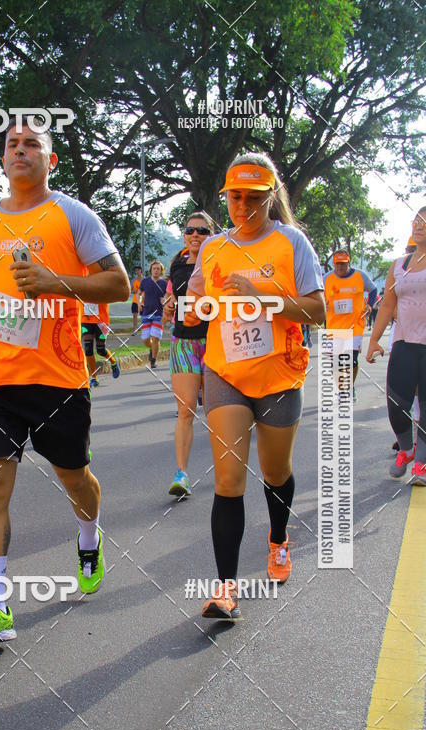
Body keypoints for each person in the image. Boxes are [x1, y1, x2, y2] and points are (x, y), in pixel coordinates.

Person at [0, 121, 130, 645]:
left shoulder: (73, 215)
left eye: (32, 144)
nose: (20, 150)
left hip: (58, 380)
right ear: (3, 158)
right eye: (12, 144)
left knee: (75, 480)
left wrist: (58, 283)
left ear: (50, 160)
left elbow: (119, 284)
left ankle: (88, 537)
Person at [186, 152, 325, 619]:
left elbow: (317, 310)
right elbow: (197, 301)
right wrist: (190, 307)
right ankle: (226, 590)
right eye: (235, 197)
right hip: (225, 373)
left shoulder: (291, 243)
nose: (242, 206)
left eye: (253, 197)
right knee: (228, 480)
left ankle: (279, 538)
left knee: (275, 472)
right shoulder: (213, 247)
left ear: (270, 198)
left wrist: (262, 297)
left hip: (279, 376)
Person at [366, 207, 426, 484]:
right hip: (404, 343)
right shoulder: (399, 265)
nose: (419, 226)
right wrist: (374, 340)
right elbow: (388, 304)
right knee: (396, 404)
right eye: (416, 221)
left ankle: (422, 464)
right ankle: (406, 449)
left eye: (425, 222)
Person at [162, 211, 213, 497]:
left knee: (217, 413)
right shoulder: (177, 265)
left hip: (214, 342)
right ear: (184, 235)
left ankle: (227, 469)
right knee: (186, 410)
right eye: (190, 230)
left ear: (211, 236)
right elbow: (170, 301)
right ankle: (181, 474)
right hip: (183, 343)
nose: (195, 235)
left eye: (202, 231)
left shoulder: (219, 262)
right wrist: (169, 306)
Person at [324, 250, 377, 402]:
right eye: (337, 264)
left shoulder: (360, 276)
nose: (340, 267)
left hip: (355, 326)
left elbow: (373, 289)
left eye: (343, 264)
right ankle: (342, 388)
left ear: (349, 263)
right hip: (334, 327)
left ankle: (348, 388)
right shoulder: (326, 278)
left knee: (351, 359)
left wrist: (370, 305)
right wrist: (322, 304)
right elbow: (318, 293)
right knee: (335, 362)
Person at [81, 302, 120, 387]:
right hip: (85, 319)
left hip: (101, 320)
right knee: (88, 349)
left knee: (100, 350)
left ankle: (113, 361)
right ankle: (94, 378)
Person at [139, 260, 167, 368]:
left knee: (156, 337)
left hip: (159, 314)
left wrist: (165, 301)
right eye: (154, 268)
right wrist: (139, 303)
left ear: (161, 271)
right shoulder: (145, 281)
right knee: (145, 339)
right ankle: (152, 348)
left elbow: (169, 297)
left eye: (158, 269)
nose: (156, 270)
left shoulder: (164, 283)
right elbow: (139, 293)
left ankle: (153, 360)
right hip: (146, 313)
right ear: (151, 270)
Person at [131, 266, 143, 332]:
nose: (137, 271)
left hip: (143, 301)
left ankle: (143, 328)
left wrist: (141, 291)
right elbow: (131, 290)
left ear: (141, 270)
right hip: (135, 301)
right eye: (136, 270)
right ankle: (135, 329)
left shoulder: (145, 280)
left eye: (138, 270)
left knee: (143, 316)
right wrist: (136, 291)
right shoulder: (134, 280)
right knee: (134, 315)